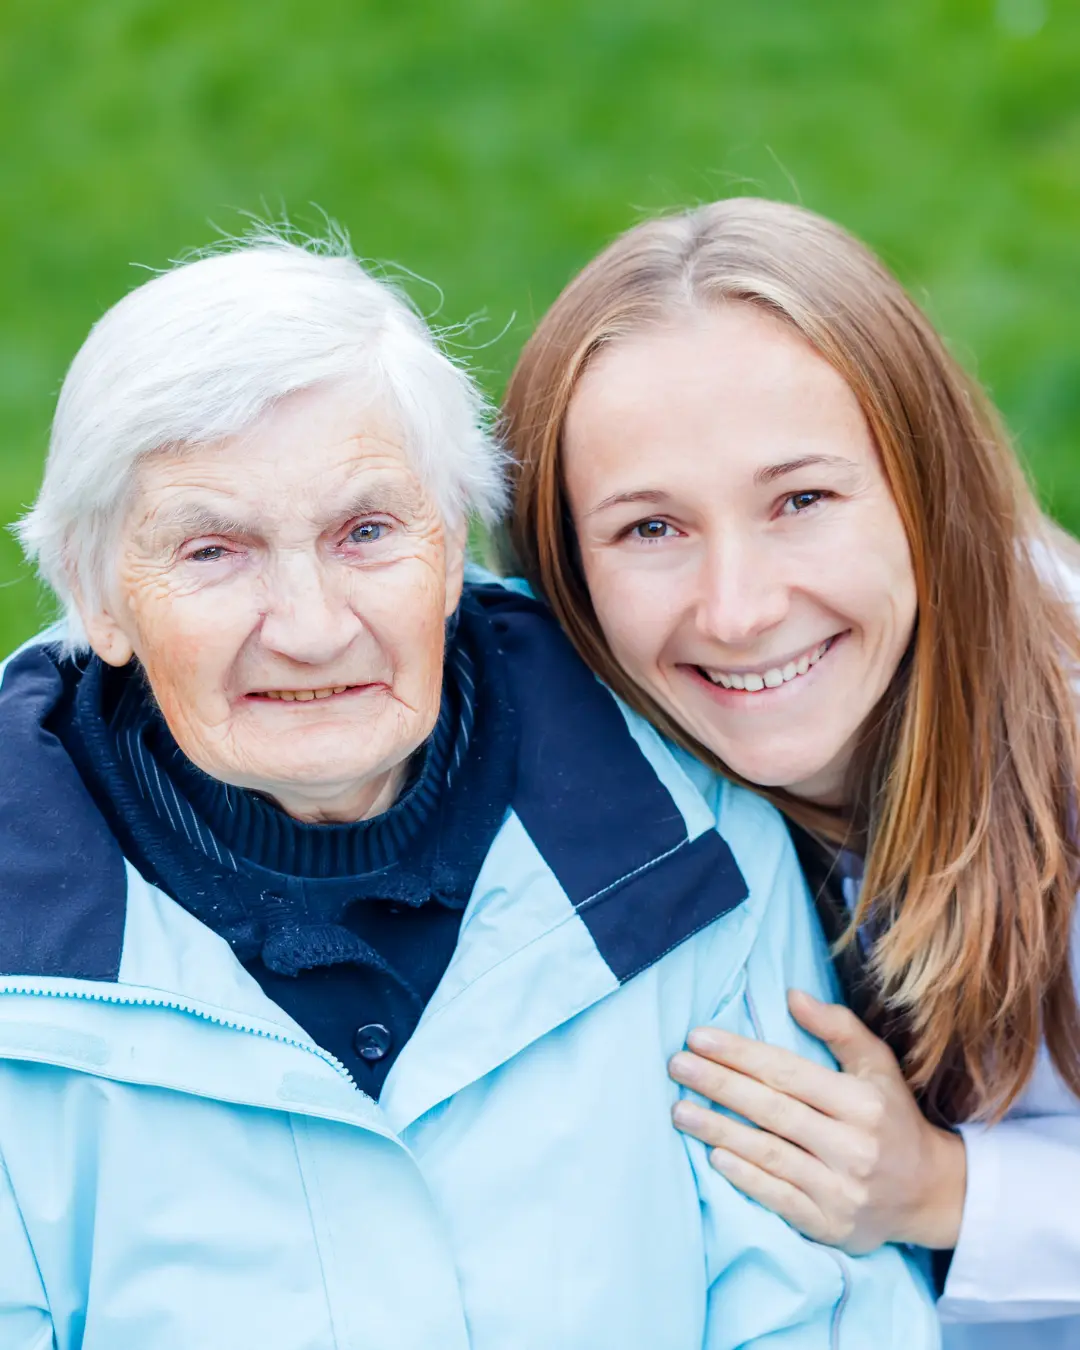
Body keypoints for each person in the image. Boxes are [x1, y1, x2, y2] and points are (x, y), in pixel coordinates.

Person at [0, 229, 938, 1350]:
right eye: (212, 551)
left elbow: (818, 1314)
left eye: (368, 532)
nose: (309, 627)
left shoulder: (685, 837)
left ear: (454, 555)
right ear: (98, 602)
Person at [501, 196, 1080, 1349]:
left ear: (929, 490)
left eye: (801, 500)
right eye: (649, 529)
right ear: (564, 565)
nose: (740, 608)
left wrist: (944, 1191)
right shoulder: (563, 768)